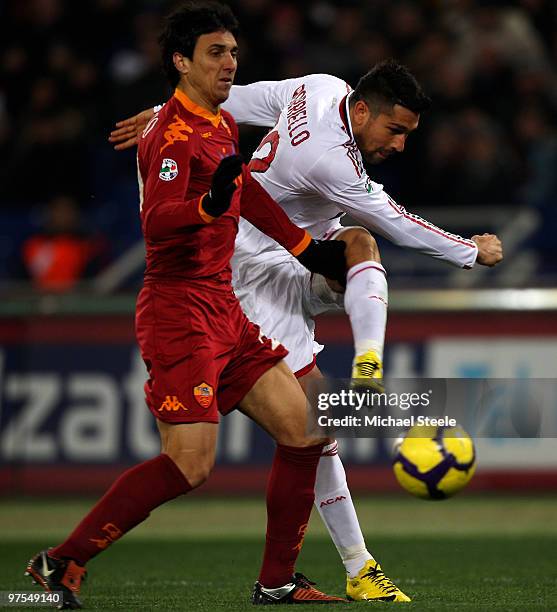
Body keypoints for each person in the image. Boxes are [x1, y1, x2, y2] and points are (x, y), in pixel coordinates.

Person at [110, 61, 504, 603]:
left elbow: (241, 99)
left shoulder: (318, 88)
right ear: (362, 111)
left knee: (360, 245)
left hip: (303, 255)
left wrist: (163, 113)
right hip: (254, 276)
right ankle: (355, 567)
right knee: (314, 425)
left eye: (410, 134)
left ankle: (369, 365)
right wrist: (470, 250)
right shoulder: (332, 161)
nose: (401, 144)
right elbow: (400, 221)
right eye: (396, 130)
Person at [24, 3, 354, 608]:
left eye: (232, 52)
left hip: (222, 305)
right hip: (179, 313)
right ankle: (61, 561)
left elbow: (243, 188)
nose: (230, 64)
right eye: (215, 53)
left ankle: (277, 583)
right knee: (191, 466)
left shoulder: (218, 122)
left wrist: (306, 248)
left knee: (308, 430)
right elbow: (159, 218)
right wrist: (207, 204)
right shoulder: (173, 134)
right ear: (181, 62)